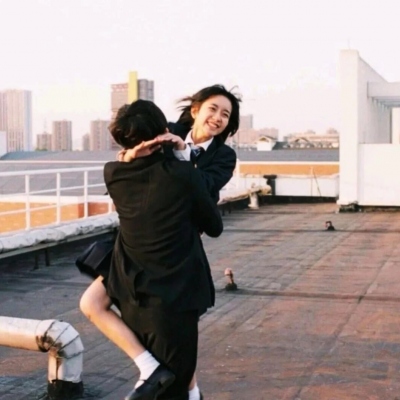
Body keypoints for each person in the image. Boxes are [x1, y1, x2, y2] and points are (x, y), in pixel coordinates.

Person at [80, 85, 241, 400]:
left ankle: (184, 388)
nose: (218, 118)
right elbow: (140, 172)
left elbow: (202, 188)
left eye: (226, 115)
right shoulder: (165, 131)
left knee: (177, 344)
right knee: (92, 303)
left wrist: (182, 156)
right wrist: (129, 158)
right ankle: (156, 371)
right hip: (138, 242)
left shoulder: (223, 156)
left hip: (177, 246)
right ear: (195, 110)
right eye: (213, 109)